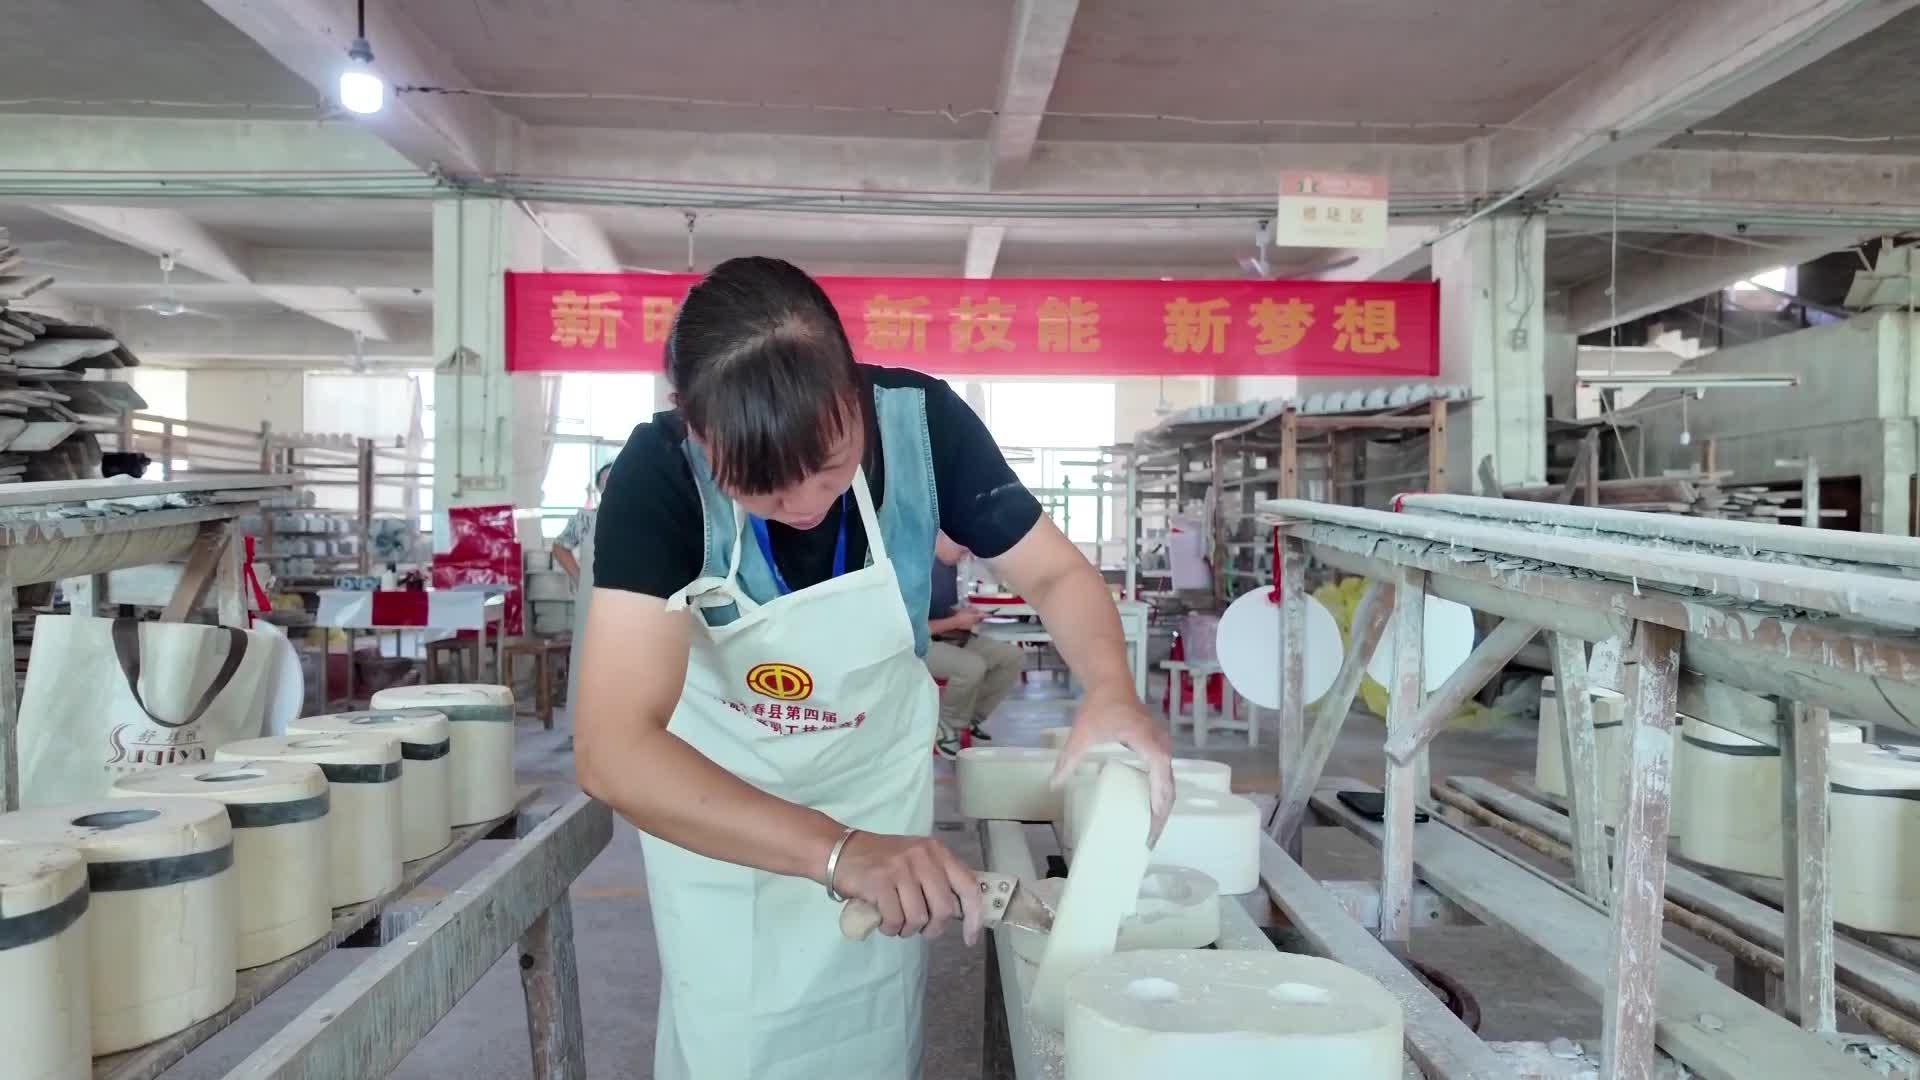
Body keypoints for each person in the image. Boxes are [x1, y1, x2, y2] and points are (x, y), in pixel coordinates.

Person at [573, 257, 1172, 1080]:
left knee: (869, 1034)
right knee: (733, 1039)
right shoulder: (661, 476)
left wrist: (1110, 686)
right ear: (695, 428)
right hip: (720, 811)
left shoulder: (923, 427)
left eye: (829, 466)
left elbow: (1056, 574)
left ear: (852, 389)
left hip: (876, 794)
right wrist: (835, 851)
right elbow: (613, 749)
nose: (804, 505)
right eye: (760, 489)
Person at [925, 531, 1023, 755]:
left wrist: (962, 615)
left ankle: (970, 718)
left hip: (949, 637)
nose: (967, 556)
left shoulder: (948, 566)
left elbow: (940, 611)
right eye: (963, 549)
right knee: (971, 666)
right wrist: (956, 621)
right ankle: (947, 724)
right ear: (942, 536)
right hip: (918, 645)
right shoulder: (917, 568)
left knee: (1012, 657)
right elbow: (911, 629)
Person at [553, 463, 612, 748]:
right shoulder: (585, 519)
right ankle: (579, 729)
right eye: (606, 481)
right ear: (599, 487)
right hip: (591, 597)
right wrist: (579, 577)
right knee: (586, 658)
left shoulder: (641, 515)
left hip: (629, 599)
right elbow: (560, 546)